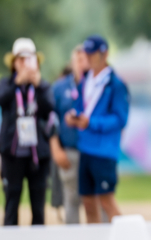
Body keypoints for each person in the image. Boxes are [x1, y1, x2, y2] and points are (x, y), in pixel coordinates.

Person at [65, 35, 129, 223]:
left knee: (106, 200)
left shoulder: (116, 84)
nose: (89, 57)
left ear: (105, 54)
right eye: (87, 53)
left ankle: (127, 235)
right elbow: (80, 106)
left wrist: (90, 123)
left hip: (104, 151)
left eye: (93, 54)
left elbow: (120, 119)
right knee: (88, 202)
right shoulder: (86, 80)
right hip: (85, 147)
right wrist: (73, 116)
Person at [0, 38, 55, 225]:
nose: (25, 64)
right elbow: (2, 100)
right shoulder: (6, 84)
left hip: (37, 154)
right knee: (11, 201)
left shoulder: (43, 87)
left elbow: (50, 108)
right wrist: (17, 83)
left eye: (28, 59)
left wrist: (38, 86)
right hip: (12, 154)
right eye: (20, 59)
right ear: (14, 62)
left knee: (38, 205)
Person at [50, 45, 90, 224]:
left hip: (94, 151)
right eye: (79, 59)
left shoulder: (98, 85)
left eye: (86, 59)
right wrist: (56, 148)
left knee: (96, 199)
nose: (83, 63)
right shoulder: (59, 88)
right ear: (72, 62)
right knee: (71, 199)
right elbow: (50, 120)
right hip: (69, 150)